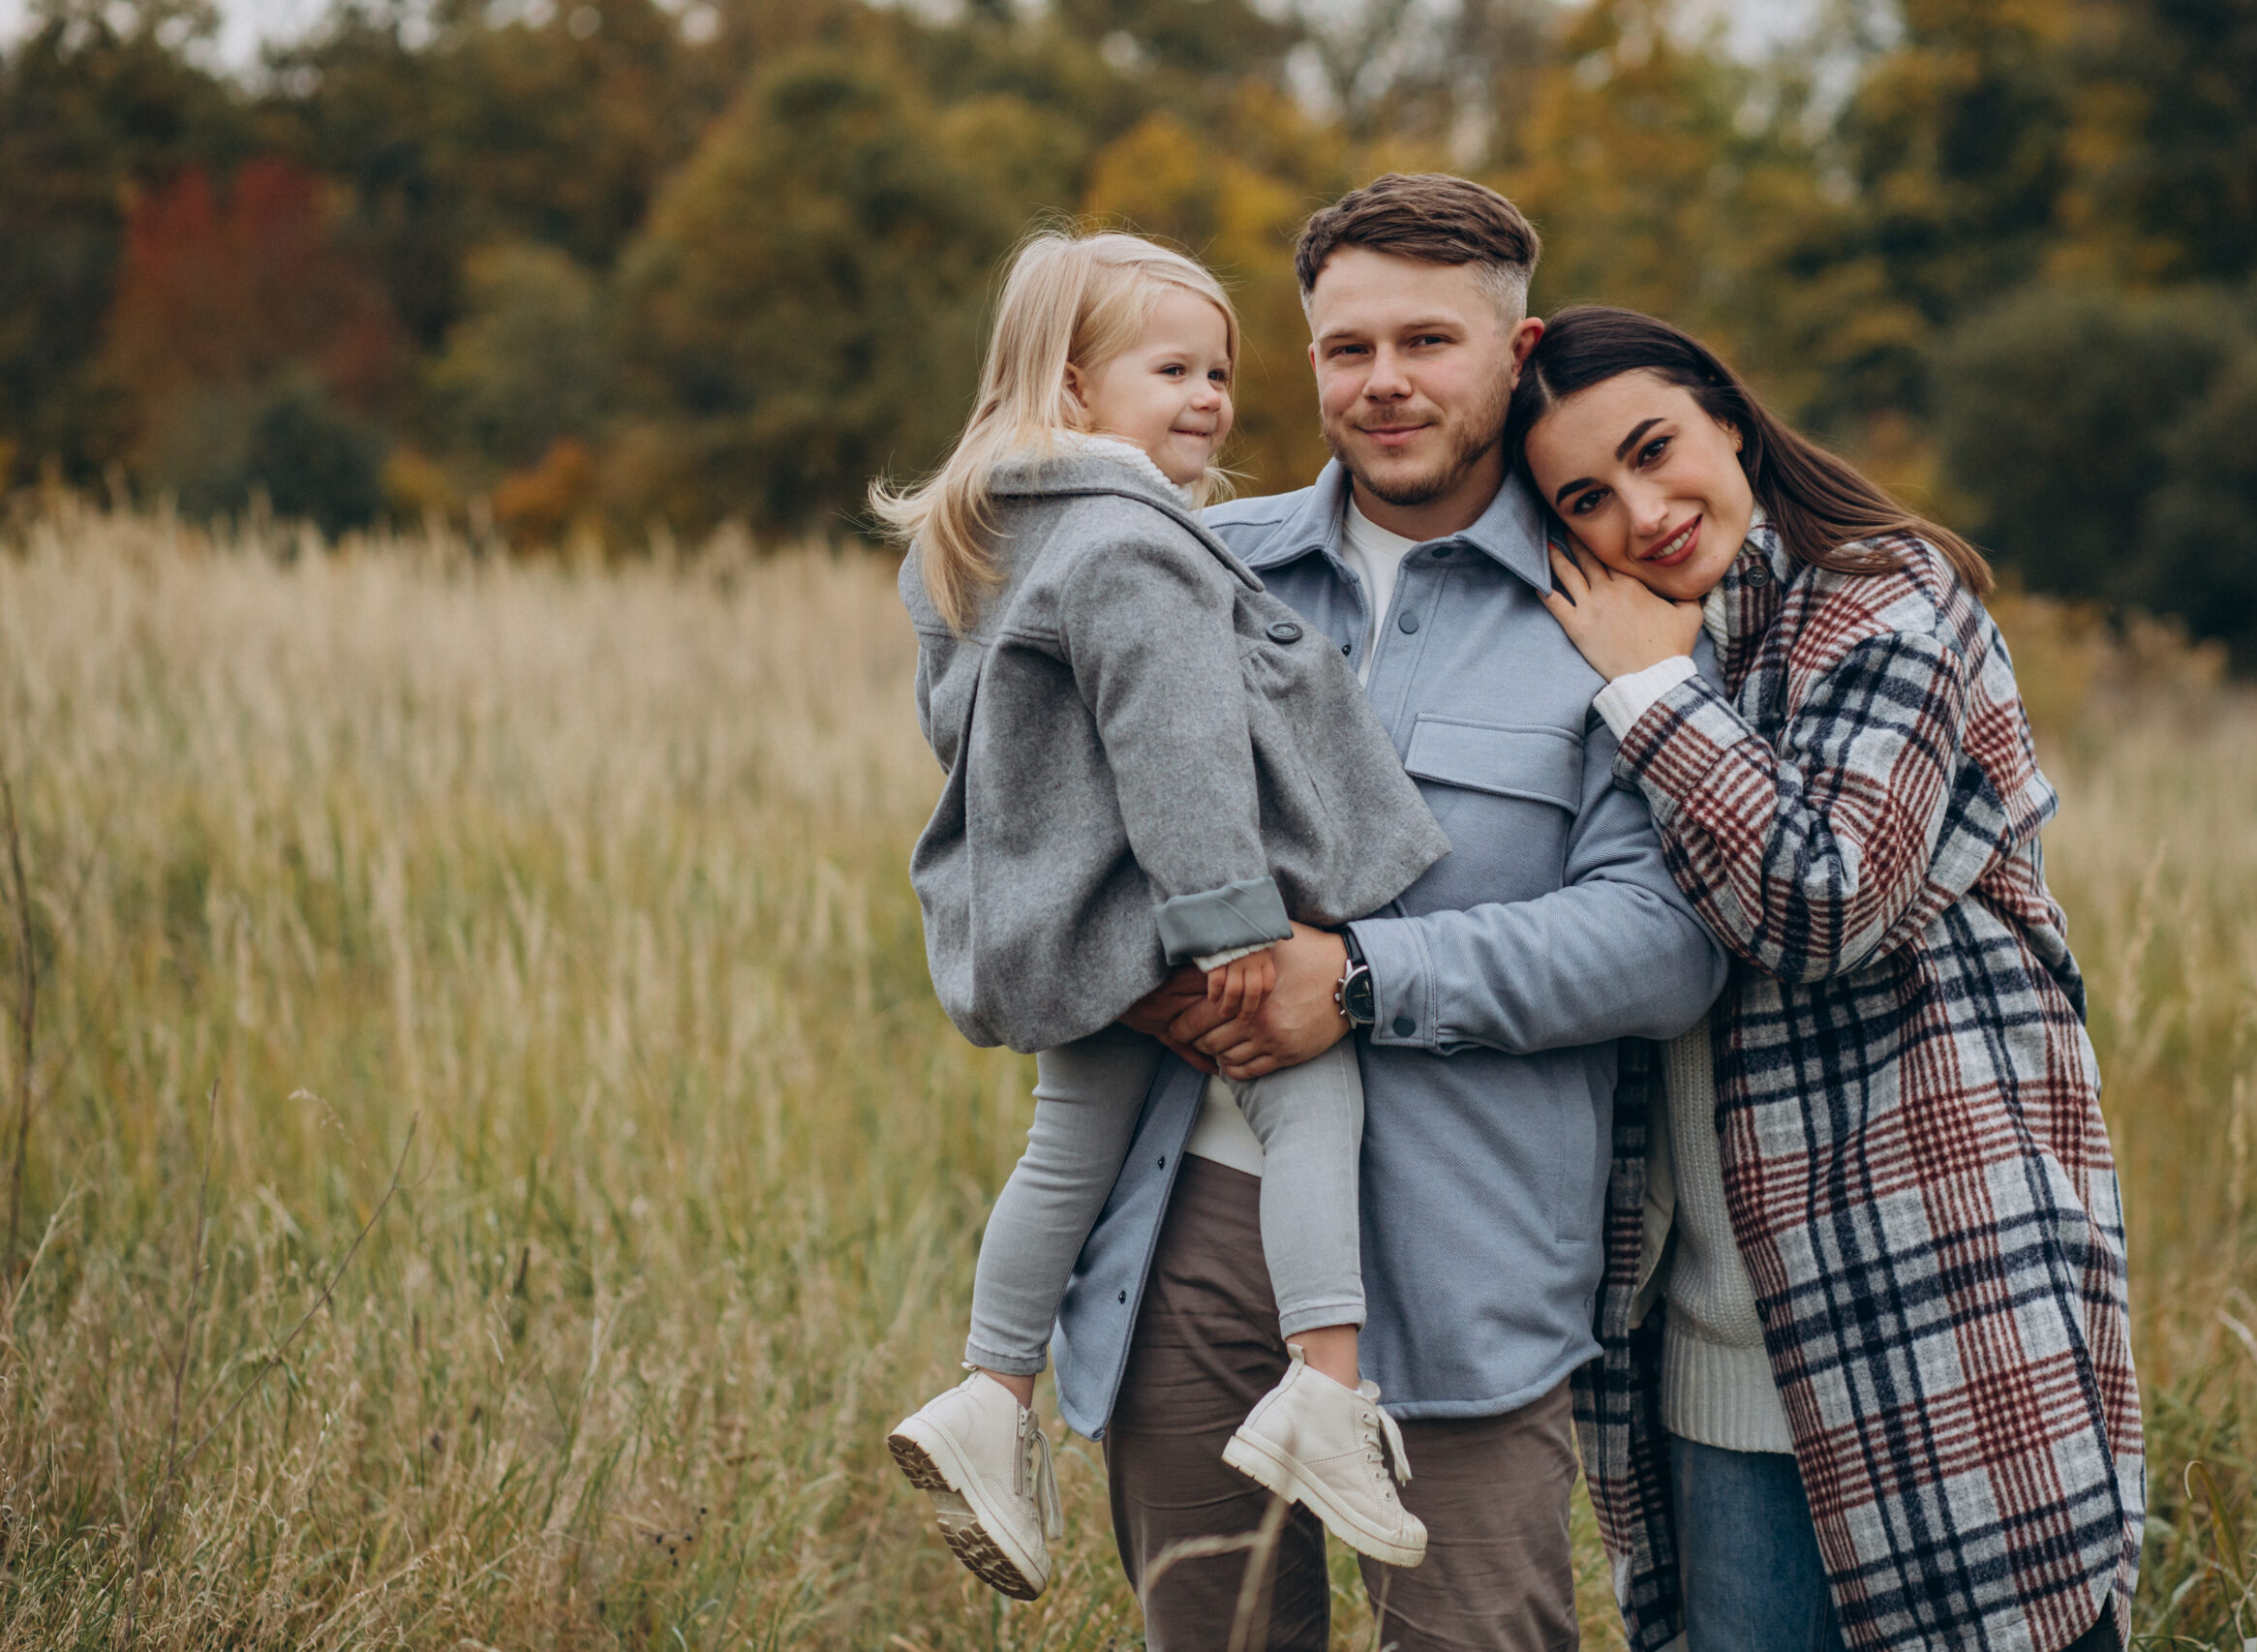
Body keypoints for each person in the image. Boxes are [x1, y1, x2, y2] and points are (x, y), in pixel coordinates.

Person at [1050, 176, 1729, 1651]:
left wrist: (1354, 976)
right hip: (1190, 1232)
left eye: (1428, 340)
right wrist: (1121, 976)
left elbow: (1665, 941)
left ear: (1513, 348)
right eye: (1346, 347)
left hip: (1468, 1255)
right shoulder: (1190, 565)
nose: (1385, 382)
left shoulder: (1606, 605)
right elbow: (1043, 825)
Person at [1514, 305, 2143, 1652]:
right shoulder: (1619, 651)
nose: (1644, 507)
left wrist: (1652, 700)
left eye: (1654, 448)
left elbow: (1829, 896)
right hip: (1717, 1376)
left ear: (1728, 417)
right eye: (1587, 496)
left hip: (1942, 1335)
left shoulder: (1887, 601)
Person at [874, 231, 1458, 1602]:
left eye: (1221, 371)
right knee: (1313, 1085)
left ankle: (992, 1389)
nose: (1208, 397)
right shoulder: (1135, 544)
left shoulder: (974, 534)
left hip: (1067, 921)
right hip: (1179, 917)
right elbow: (1178, 748)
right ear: (1073, 388)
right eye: (1172, 369)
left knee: (1067, 1141)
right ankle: (1326, 1388)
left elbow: (971, 740)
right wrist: (1236, 930)